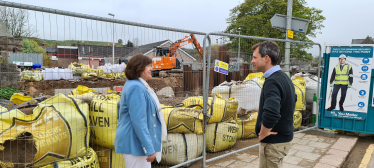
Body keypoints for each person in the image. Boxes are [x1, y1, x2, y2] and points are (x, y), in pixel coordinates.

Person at [114, 53, 167, 168]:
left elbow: (120, 106)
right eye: (149, 66)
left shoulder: (136, 85)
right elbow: (139, 121)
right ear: (139, 68)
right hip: (134, 144)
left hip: (135, 142)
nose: (152, 68)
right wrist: (149, 148)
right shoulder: (136, 87)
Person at [251, 41, 296, 168]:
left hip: (273, 143)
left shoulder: (272, 81)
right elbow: (293, 99)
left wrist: (263, 133)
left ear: (266, 58)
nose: (252, 61)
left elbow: (271, 112)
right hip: (283, 139)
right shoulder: (284, 77)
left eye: (255, 57)